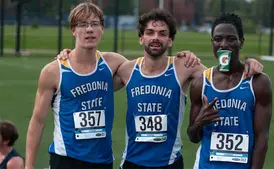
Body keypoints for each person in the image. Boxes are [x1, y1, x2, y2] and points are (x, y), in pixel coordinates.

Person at [57, 9, 263, 169]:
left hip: (169, 163)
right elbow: (91, 79)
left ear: (170, 40)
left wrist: (248, 63)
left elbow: (221, 76)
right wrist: (69, 54)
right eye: (150, 32)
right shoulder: (127, 70)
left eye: (163, 33)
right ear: (141, 38)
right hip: (132, 163)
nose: (156, 37)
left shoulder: (184, 67)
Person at [25, 2, 200, 169]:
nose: (89, 30)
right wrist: (29, 165)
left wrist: (185, 56)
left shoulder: (114, 64)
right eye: (83, 24)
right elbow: (38, 121)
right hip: (66, 159)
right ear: (73, 30)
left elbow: (149, 69)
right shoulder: (54, 71)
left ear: (102, 29)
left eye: (94, 24)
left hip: (103, 160)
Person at [187, 13, 272, 169]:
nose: (224, 44)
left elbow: (262, 138)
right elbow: (193, 137)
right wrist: (199, 122)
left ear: (241, 42)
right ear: (212, 43)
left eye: (231, 39)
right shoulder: (200, 84)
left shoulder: (258, 82)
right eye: (218, 39)